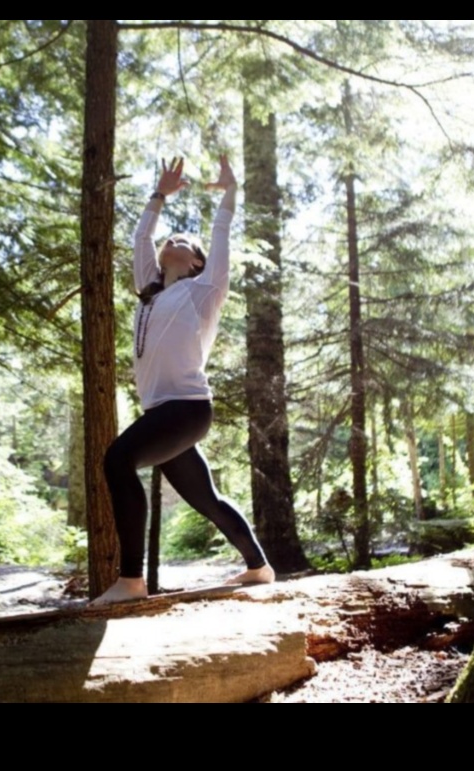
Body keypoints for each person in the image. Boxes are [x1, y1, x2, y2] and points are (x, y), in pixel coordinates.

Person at [92, 155, 275, 606]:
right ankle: (259, 567)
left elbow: (221, 234)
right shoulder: (149, 292)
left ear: (197, 263)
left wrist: (230, 194)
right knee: (206, 498)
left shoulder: (204, 290)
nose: (171, 240)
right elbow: (140, 237)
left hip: (187, 408)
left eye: (183, 241)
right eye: (169, 238)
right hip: (163, 413)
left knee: (117, 461)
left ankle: (131, 582)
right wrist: (158, 194)